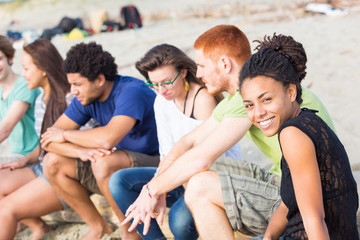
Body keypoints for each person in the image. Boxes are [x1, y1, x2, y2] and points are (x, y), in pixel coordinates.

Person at [120, 26, 335, 239]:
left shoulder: (253, 96)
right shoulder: (240, 96)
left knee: (200, 184)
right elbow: (188, 142)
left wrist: (152, 191)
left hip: (309, 195)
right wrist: (156, 186)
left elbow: (201, 158)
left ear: (224, 64)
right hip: (282, 180)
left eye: (202, 66)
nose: (199, 73)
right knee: (192, 173)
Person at [108, 44, 242, 240]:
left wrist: (158, 188)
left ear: (183, 72)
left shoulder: (203, 99)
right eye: (153, 83)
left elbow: (204, 159)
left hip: (209, 178)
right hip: (178, 175)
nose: (161, 90)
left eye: (166, 82)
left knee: (178, 222)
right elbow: (166, 152)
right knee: (119, 181)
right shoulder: (161, 101)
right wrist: (157, 185)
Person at [239, 37, 358, 239]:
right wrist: (268, 237)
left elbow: (314, 218)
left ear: (291, 91)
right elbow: (291, 200)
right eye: (249, 105)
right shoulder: (309, 120)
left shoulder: (292, 134)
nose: (258, 113)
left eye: (266, 99)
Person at [40, 42, 160, 240]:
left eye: (77, 84)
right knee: (52, 162)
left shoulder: (131, 91)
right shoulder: (86, 99)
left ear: (99, 79)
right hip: (121, 168)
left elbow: (107, 139)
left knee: (103, 162)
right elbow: (48, 141)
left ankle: (130, 234)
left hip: (157, 164)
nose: (72, 91)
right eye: (71, 84)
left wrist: (66, 135)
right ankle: (99, 226)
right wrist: (80, 152)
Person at [0, 39, 71, 240]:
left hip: (54, 169)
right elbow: (46, 143)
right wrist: (25, 160)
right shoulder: (42, 100)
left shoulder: (65, 98)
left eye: (26, 68)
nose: (24, 73)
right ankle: (39, 226)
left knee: (6, 208)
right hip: (35, 159)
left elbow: (4, 130)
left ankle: (23, 220)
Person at [0, 35, 40, 162]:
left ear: (10, 58)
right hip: (16, 154)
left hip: (35, 155)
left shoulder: (25, 84)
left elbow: (5, 129)